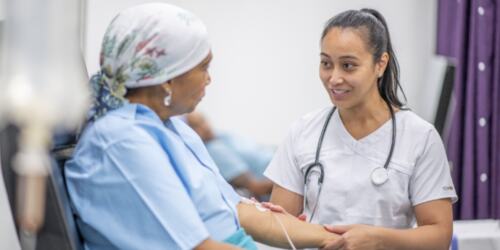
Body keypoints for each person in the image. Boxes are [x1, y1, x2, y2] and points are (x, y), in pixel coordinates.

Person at [64, 3, 342, 250]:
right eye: (203, 67)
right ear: (167, 78)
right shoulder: (120, 142)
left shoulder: (172, 128)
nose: (209, 80)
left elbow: (235, 211)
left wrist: (335, 238)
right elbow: (199, 246)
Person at [264, 8, 458, 250]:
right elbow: (280, 226)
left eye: (348, 66)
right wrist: (269, 220)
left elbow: (439, 235)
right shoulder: (304, 131)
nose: (333, 78)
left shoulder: (420, 137)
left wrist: (378, 240)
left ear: (380, 64)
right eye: (326, 63)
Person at [187, 112, 273, 198]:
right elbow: (257, 188)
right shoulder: (214, 151)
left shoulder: (223, 136)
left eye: (203, 121)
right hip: (276, 182)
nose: (204, 127)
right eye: (195, 126)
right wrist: (283, 179)